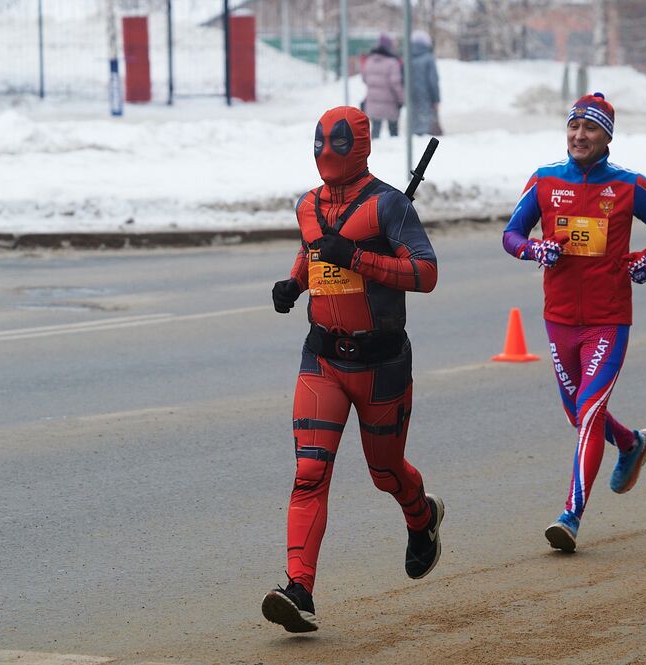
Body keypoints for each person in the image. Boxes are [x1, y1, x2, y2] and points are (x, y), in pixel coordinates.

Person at [262, 106, 445, 633]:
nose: (325, 153)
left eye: (336, 143)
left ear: (358, 145)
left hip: (382, 363)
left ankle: (422, 516)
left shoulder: (389, 206)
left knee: (384, 471)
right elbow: (311, 250)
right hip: (322, 358)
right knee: (309, 473)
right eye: (319, 142)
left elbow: (426, 273)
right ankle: (299, 590)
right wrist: (294, 284)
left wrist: (360, 259)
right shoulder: (308, 205)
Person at [501, 92, 646, 553]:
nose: (579, 135)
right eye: (574, 127)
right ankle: (631, 443)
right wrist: (535, 250)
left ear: (607, 138)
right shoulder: (544, 181)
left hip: (608, 319)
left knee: (589, 412)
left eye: (591, 129)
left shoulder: (629, 184)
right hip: (559, 318)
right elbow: (510, 235)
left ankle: (570, 516)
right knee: (577, 413)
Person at [361, 33, 404, 138]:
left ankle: (374, 150)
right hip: (390, 101)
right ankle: (395, 151)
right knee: (393, 130)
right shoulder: (392, 62)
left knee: (375, 130)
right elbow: (396, 83)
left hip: (373, 100)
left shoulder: (370, 60)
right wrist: (401, 99)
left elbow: (365, 78)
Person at [409, 30, 441, 136]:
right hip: (426, 95)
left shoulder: (408, 58)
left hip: (411, 95)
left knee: (415, 121)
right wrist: (436, 99)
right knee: (427, 124)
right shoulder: (428, 58)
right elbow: (433, 81)